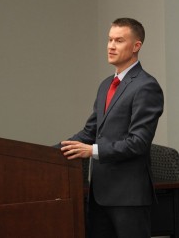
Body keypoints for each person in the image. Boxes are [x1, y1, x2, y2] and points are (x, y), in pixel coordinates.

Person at [56, 18, 164, 238]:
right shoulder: (106, 85)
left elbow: (139, 143)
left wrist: (92, 151)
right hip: (99, 196)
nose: (111, 46)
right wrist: (46, 153)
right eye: (109, 39)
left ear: (136, 46)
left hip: (129, 199)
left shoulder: (146, 86)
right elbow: (89, 132)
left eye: (119, 40)